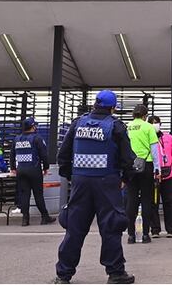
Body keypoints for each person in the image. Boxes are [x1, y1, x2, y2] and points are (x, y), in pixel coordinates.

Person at [55, 90, 135, 284]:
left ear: (95, 104)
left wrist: (72, 177)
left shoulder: (77, 124)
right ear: (113, 107)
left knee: (74, 228)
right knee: (111, 226)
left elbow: (63, 156)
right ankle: (115, 273)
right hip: (107, 183)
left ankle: (63, 275)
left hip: (80, 182)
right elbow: (127, 159)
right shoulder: (116, 127)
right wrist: (125, 178)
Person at [124, 103, 160, 245]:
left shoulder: (127, 127)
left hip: (131, 165)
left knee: (131, 200)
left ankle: (131, 235)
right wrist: (157, 169)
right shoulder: (148, 127)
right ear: (145, 116)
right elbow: (154, 149)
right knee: (146, 200)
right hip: (147, 165)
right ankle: (145, 234)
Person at [11, 117, 55, 226]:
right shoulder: (37, 139)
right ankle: (45, 216)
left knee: (24, 195)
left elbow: (12, 155)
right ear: (33, 126)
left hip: (21, 169)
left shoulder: (17, 139)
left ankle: (25, 219)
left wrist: (13, 168)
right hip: (34, 169)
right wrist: (46, 167)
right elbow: (44, 155)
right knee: (38, 194)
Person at [149, 115, 172, 237]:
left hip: (168, 174)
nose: (155, 125)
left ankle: (171, 229)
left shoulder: (168, 138)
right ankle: (155, 230)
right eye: (153, 123)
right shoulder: (147, 137)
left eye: (157, 122)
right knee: (153, 202)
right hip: (154, 175)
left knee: (169, 202)